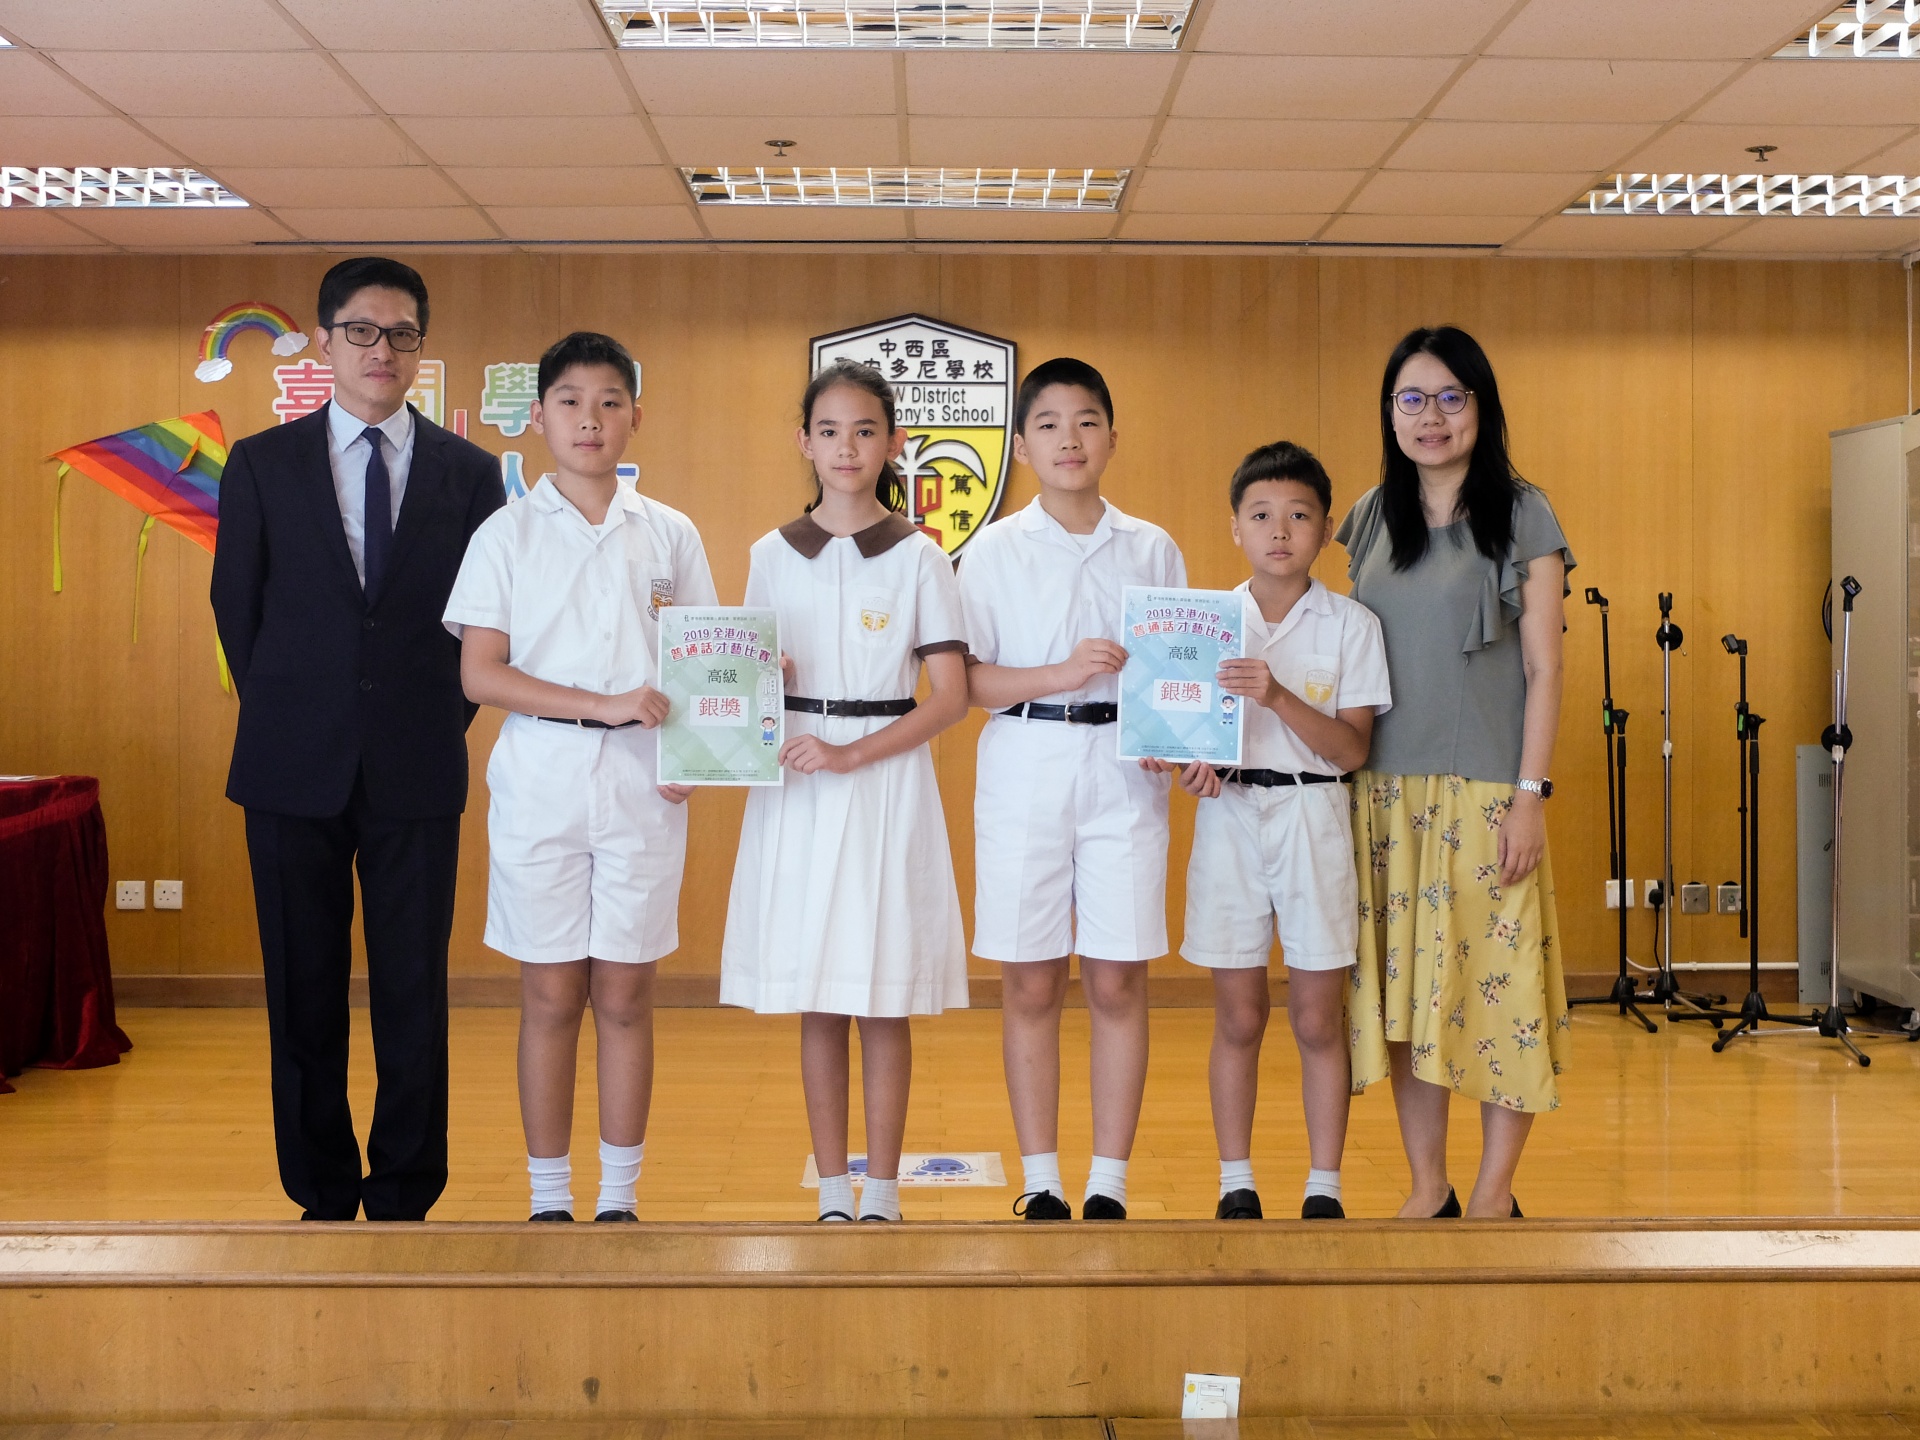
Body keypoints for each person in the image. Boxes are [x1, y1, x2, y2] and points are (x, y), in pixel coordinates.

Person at [210, 257, 505, 1221]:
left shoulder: (470, 475)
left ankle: (407, 1187)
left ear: (421, 348)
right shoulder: (262, 463)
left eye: (404, 334)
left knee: (413, 989)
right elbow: (237, 610)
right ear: (325, 342)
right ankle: (322, 1188)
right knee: (302, 988)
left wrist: (430, 719)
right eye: (363, 332)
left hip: (418, 760)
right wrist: (299, 710)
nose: (384, 351)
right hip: (291, 764)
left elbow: (484, 624)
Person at [443, 331, 716, 1223]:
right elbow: (480, 674)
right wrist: (602, 705)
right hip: (542, 781)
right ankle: (549, 1198)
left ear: (636, 416)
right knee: (552, 992)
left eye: (609, 402)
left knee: (627, 993)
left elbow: (705, 661)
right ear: (538, 417)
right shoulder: (505, 533)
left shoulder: (671, 532)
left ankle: (620, 1198)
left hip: (644, 785)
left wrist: (700, 753)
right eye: (570, 401)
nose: (589, 419)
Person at [720, 360, 970, 1223]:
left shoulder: (920, 556)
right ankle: (833, 1190)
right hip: (797, 784)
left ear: (892, 442)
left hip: (884, 787)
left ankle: (885, 1191)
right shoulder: (769, 554)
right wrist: (768, 678)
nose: (847, 447)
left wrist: (854, 753)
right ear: (804, 441)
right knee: (818, 997)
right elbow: (740, 680)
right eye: (828, 431)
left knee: (882, 995)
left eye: (865, 430)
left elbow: (949, 697)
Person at [1335, 325, 1574, 1220]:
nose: (1430, 417)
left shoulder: (1524, 513)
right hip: (1382, 794)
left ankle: (1491, 1195)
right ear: (1389, 412)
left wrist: (1530, 796)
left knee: (1499, 997)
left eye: (1449, 397)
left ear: (1481, 406)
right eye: (1411, 399)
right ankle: (1427, 1185)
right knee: (1406, 1003)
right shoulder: (1369, 515)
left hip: (1485, 796)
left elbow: (1545, 668)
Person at [957, 357, 1185, 1222]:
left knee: (1119, 980)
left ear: (1113, 437)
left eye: (1087, 421)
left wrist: (1178, 737)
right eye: (1048, 424)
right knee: (1030, 982)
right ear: (1021, 446)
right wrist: (1062, 671)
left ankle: (1108, 1183)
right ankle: (1043, 1178)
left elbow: (1181, 671)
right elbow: (969, 682)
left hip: (1125, 772)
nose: (1070, 439)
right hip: (1026, 764)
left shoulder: (1152, 546)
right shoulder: (992, 551)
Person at [1164, 442, 1391, 1220]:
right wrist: (1191, 766)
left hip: (1313, 815)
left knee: (1317, 1017)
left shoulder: (1352, 624)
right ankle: (1236, 1181)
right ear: (1235, 527)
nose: (1280, 530)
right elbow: (1182, 735)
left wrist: (1278, 695)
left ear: (1325, 529)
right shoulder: (1204, 623)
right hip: (1229, 817)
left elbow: (1351, 751)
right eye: (1261, 515)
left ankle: (1324, 1185)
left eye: (1299, 515)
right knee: (1238, 1015)